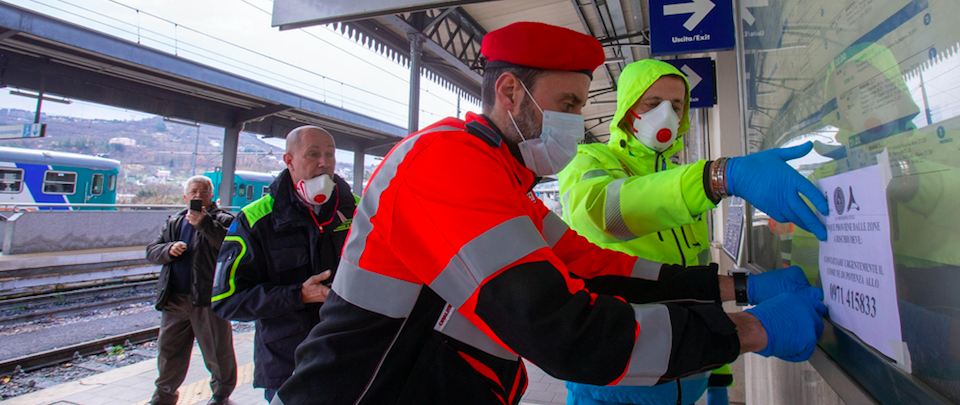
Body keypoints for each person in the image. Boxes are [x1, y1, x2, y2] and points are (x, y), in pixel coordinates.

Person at [273, 22, 827, 405]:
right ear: (511, 92)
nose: (576, 123)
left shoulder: (505, 182)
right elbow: (565, 332)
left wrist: (736, 287)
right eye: (568, 105)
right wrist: (752, 330)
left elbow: (600, 269)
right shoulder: (446, 163)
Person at [556, 58, 831, 405]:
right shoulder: (590, 160)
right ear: (626, 109)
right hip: (614, 385)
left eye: (676, 105)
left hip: (687, 375)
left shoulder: (681, 183)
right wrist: (717, 177)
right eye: (652, 104)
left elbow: (691, 282)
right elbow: (604, 213)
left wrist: (719, 373)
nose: (666, 114)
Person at [211, 126, 358, 403]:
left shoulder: (358, 212)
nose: (324, 163)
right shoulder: (255, 220)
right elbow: (226, 300)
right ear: (288, 160)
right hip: (287, 366)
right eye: (313, 154)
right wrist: (298, 295)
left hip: (349, 359)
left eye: (330, 154)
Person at [145, 175, 237, 405]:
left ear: (211, 195)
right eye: (193, 192)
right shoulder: (175, 221)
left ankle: (220, 396)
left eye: (203, 192)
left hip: (208, 299)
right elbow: (151, 251)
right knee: (169, 352)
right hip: (175, 299)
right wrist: (168, 249)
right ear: (185, 196)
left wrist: (204, 223)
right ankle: (164, 397)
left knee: (217, 352)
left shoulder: (224, 219)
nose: (198, 196)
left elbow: (232, 246)